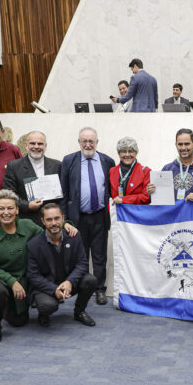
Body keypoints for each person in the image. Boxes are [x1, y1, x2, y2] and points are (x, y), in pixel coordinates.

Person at [0, 190, 41, 342]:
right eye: (1, 208)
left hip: (21, 278)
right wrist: (12, 282)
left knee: (19, 322)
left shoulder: (27, 225)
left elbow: (47, 235)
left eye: (10, 208)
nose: (6, 212)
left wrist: (64, 224)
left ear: (17, 210)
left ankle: (7, 307)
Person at [60, 127, 116, 305]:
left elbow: (113, 188)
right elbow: (63, 193)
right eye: (84, 141)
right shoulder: (69, 161)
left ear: (97, 142)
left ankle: (99, 289)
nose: (88, 144)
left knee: (100, 256)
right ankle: (82, 287)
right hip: (78, 218)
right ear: (79, 142)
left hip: (100, 216)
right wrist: (65, 220)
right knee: (80, 255)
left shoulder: (108, 161)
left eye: (91, 141)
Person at [27, 203, 98, 327]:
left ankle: (79, 312)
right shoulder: (33, 244)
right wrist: (54, 290)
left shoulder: (74, 237)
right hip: (47, 286)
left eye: (57, 218)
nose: (54, 223)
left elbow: (82, 263)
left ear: (63, 219)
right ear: (43, 221)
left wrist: (70, 282)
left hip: (67, 282)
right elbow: (33, 276)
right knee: (47, 306)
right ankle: (43, 314)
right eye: (49, 219)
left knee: (90, 280)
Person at [2, 131, 62, 226]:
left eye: (40, 144)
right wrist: (27, 205)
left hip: (52, 223)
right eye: (32, 143)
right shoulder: (14, 166)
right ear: (26, 146)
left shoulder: (57, 165)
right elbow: (9, 194)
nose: (36, 146)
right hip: (27, 222)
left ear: (45, 146)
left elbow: (63, 194)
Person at [149, 129, 193, 202]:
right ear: (176, 145)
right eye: (180, 144)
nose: (183, 148)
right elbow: (160, 200)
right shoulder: (167, 169)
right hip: (173, 213)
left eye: (187, 144)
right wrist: (152, 192)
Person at [109, 137, 150, 205]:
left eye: (130, 151)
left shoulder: (145, 172)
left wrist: (123, 200)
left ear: (136, 153)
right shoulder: (112, 171)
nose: (127, 155)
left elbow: (146, 197)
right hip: (117, 214)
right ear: (119, 154)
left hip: (135, 214)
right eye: (124, 151)